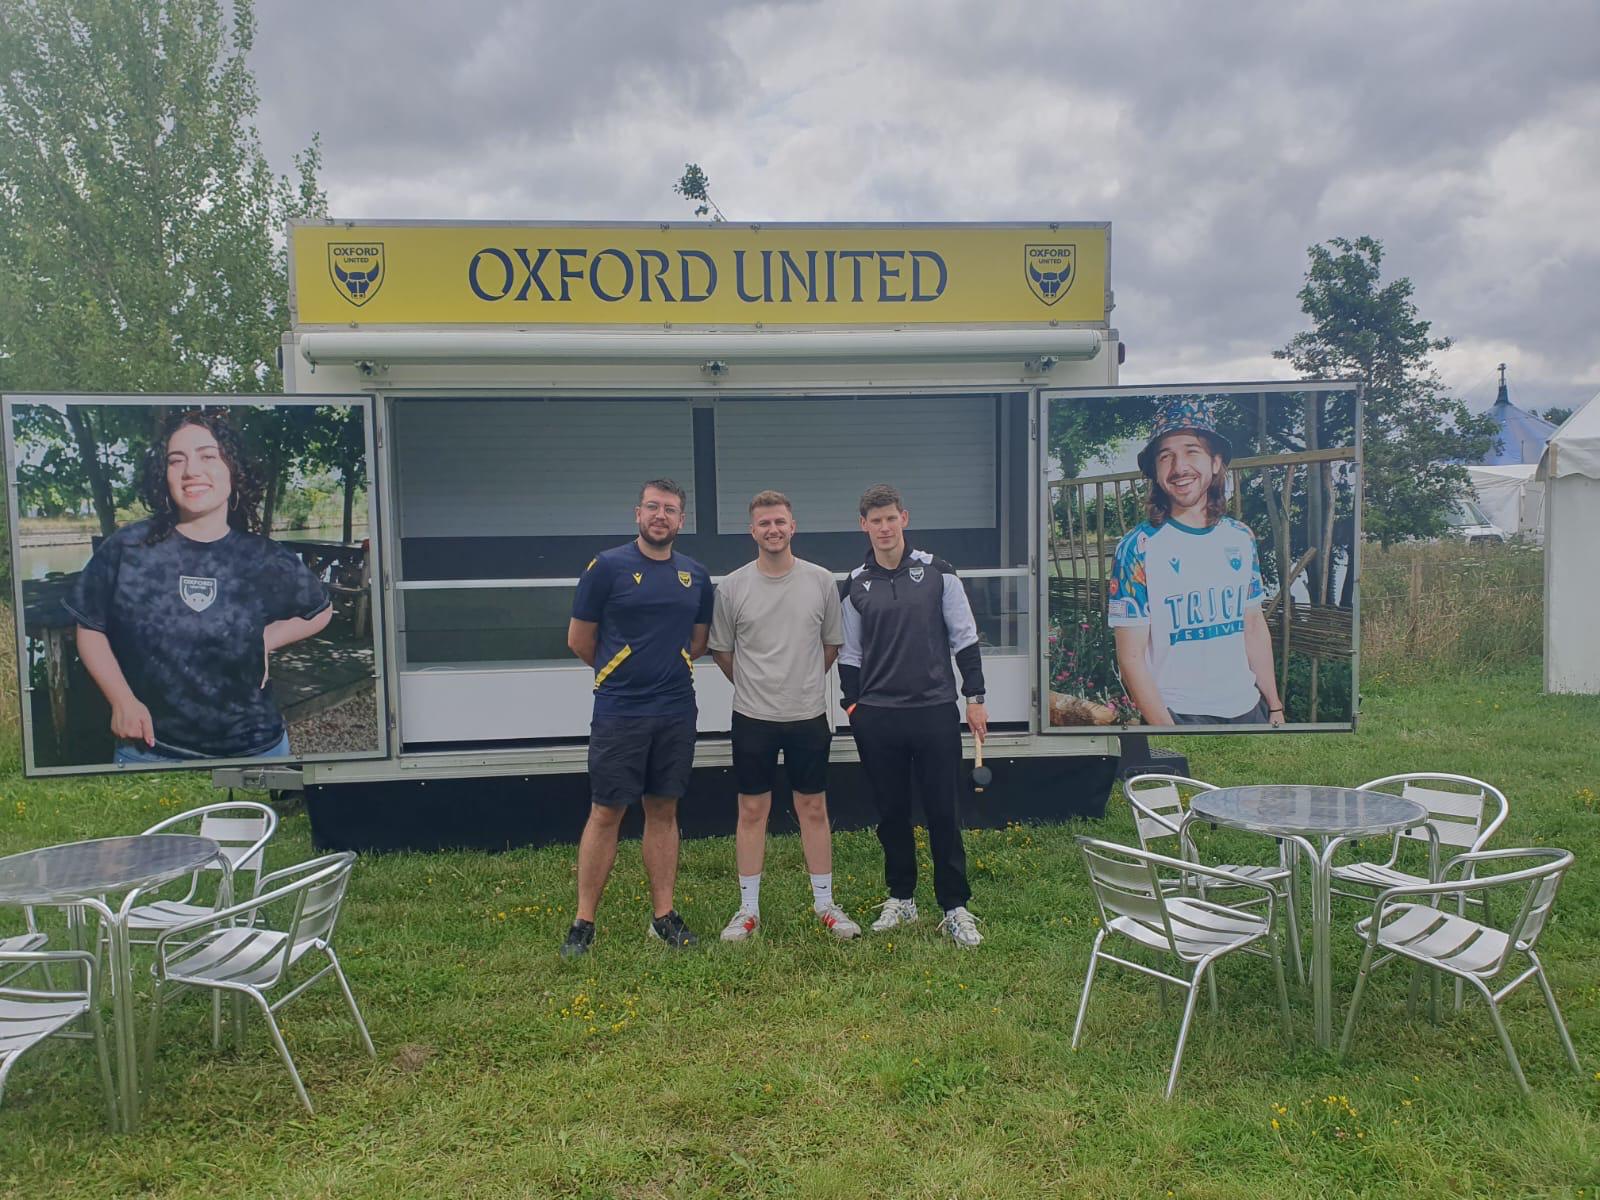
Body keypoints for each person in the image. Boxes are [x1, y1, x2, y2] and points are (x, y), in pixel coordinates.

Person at [67, 409, 333, 765]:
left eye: (208, 456)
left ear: (232, 470)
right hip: (150, 752)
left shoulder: (263, 557)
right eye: (177, 461)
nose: (191, 470)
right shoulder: (128, 548)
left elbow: (321, 610)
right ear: (165, 475)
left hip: (255, 751)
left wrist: (265, 639)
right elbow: (89, 626)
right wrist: (121, 700)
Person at [560, 478, 714, 957]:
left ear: (681, 520)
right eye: (652, 507)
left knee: (663, 810)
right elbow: (580, 640)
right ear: (637, 514)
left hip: (675, 710)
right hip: (620, 711)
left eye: (669, 509)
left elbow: (699, 642)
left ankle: (663, 916)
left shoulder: (696, 574)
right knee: (606, 811)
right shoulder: (606, 567)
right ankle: (584, 923)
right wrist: (620, 671)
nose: (660, 516)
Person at [839, 484, 988, 948]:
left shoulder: (939, 573)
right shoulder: (855, 581)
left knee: (943, 809)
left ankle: (954, 905)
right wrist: (853, 706)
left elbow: (964, 637)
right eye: (874, 520)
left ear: (904, 518)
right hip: (878, 715)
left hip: (934, 710)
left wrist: (975, 695)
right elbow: (849, 652)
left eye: (890, 518)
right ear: (863, 525)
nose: (884, 528)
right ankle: (901, 896)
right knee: (892, 813)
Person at [709, 490, 859, 942]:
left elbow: (832, 646)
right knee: (752, 809)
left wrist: (799, 682)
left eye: (780, 522)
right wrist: (758, 685)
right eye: (764, 523)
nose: (772, 530)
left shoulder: (819, 581)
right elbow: (721, 650)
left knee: (813, 807)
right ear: (751, 530)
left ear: (793, 527)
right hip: (752, 716)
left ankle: (825, 905)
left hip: (808, 715)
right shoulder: (733, 586)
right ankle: (747, 910)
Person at [1107, 397, 1285, 726]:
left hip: (1249, 710)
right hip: (1178, 714)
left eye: (1192, 451)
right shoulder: (1136, 549)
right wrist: (1167, 730)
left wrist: (1273, 705)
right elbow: (1130, 657)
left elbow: (1253, 625)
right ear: (1156, 472)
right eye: (1166, 456)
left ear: (1216, 462)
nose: (1179, 468)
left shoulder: (1241, 537)